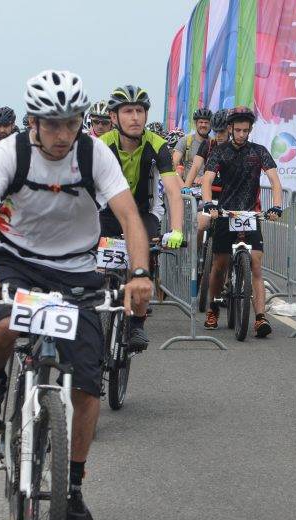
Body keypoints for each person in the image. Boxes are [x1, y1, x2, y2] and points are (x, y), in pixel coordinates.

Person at [0, 69, 153, 520]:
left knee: (87, 386)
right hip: (16, 260)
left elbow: (129, 216)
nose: (63, 134)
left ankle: (73, 487)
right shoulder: (11, 153)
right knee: (4, 324)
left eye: (71, 122)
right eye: (52, 124)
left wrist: (140, 274)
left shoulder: (94, 153)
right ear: (33, 122)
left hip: (76, 269)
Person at [98, 84, 185, 352]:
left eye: (140, 111)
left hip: (144, 214)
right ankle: (96, 315)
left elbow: (173, 190)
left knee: (142, 264)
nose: (135, 117)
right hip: (107, 213)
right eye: (128, 111)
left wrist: (177, 229)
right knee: (96, 269)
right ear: (114, 117)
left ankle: (137, 323)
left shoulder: (157, 145)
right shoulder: (101, 145)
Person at [200, 106, 284, 337]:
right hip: (225, 214)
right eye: (237, 130)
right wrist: (208, 203)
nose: (241, 134)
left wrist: (277, 206)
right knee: (220, 265)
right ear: (230, 128)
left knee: (256, 264)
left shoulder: (259, 151)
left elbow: (275, 181)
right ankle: (213, 307)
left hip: (250, 214)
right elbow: (207, 180)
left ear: (250, 130)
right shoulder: (220, 151)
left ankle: (260, 318)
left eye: (245, 130)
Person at [172, 108, 211, 179]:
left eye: (206, 122)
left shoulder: (213, 143)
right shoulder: (185, 141)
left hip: (208, 183)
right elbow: (174, 163)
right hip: (188, 184)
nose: (203, 125)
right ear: (196, 124)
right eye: (201, 122)